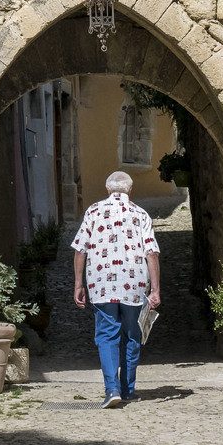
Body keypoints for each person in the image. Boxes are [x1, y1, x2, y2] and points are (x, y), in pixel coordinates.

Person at [71, 169, 161, 407]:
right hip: (135, 286)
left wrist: (78, 284)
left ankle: (112, 390)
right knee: (133, 335)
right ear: (130, 190)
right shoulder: (141, 215)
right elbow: (151, 253)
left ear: (107, 189)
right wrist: (156, 290)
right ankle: (128, 390)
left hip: (102, 286)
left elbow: (81, 249)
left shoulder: (93, 211)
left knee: (107, 335)